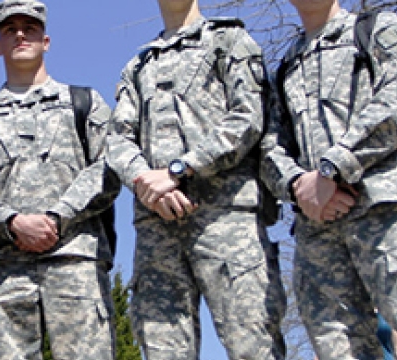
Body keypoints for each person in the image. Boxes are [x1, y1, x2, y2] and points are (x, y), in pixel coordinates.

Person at [105, 0, 287, 358]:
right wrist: (145, 182)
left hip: (227, 219)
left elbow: (248, 118)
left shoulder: (228, 41)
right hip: (157, 229)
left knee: (254, 346)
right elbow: (118, 139)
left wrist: (180, 169)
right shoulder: (138, 66)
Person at [260, 0, 397, 357]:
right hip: (318, 234)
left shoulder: (378, 29)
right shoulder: (285, 69)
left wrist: (333, 168)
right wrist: (296, 186)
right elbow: (270, 146)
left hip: (388, 214)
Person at [0, 1, 120, 359]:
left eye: (29, 28)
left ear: (46, 41)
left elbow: (108, 169)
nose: (20, 35)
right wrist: (12, 222)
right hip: (2, 270)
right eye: (10, 29)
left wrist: (58, 217)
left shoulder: (84, 102)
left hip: (75, 262)